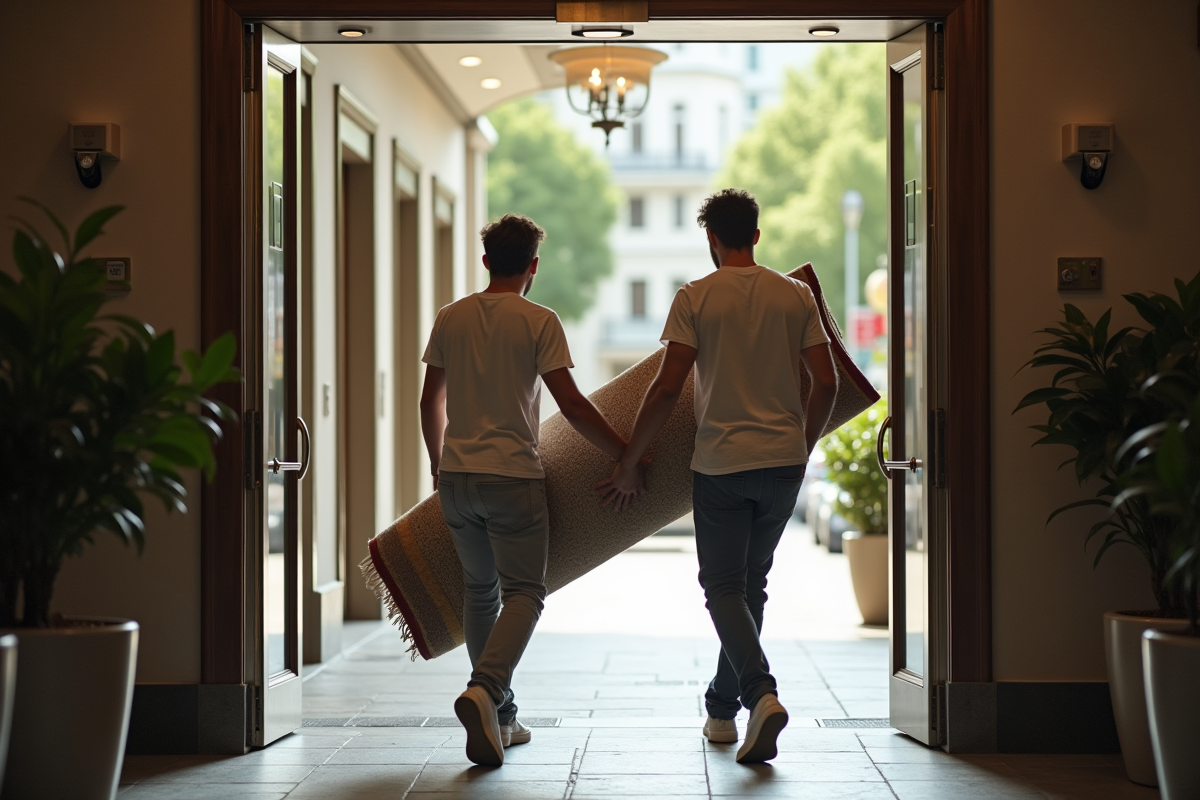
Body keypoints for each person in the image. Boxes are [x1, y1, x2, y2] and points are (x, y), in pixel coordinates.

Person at [598, 188, 838, 763]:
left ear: (711, 239)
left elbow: (667, 386)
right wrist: (801, 447)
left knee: (722, 588)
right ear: (757, 235)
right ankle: (722, 711)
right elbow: (826, 384)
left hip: (723, 464)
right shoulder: (796, 295)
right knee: (749, 587)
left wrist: (630, 459)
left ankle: (761, 693)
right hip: (782, 465)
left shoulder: (695, 296)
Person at [420, 213, 639, 767]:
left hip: (458, 478)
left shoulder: (452, 317)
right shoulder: (540, 321)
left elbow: (430, 403)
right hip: (513, 476)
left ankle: (503, 717)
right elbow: (571, 404)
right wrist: (625, 453)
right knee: (525, 594)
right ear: (533, 267)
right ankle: (486, 690)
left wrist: (438, 463)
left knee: (479, 593)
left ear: (488, 260)